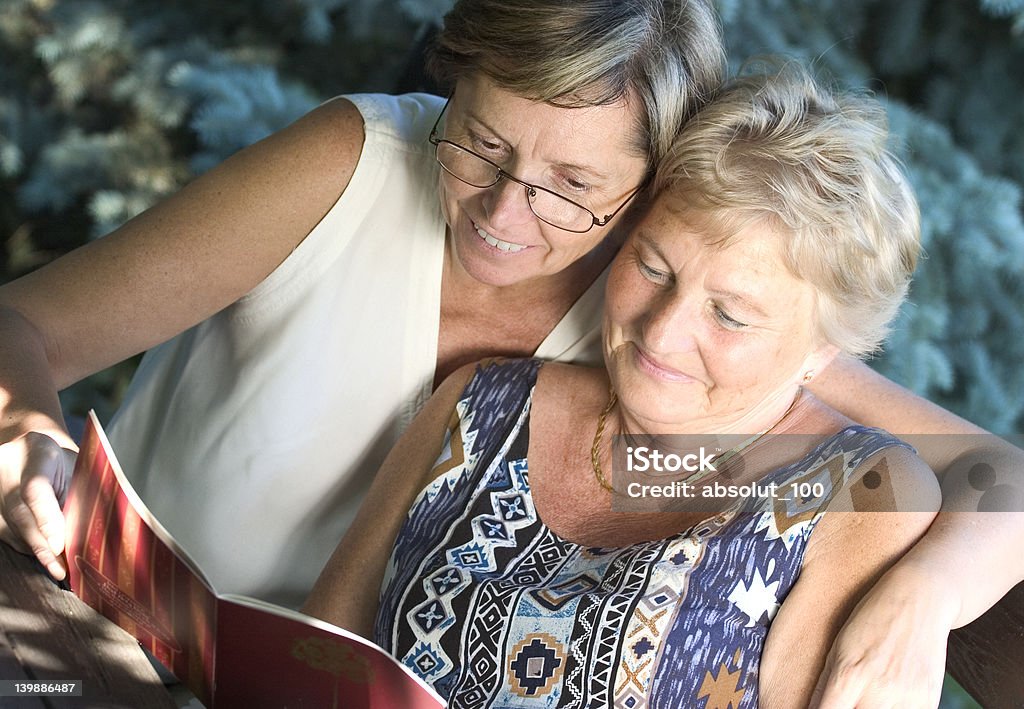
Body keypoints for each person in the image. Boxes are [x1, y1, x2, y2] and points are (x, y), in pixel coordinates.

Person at [0, 0, 1018, 704]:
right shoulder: (358, 170)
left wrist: (922, 600)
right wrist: (31, 446)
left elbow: (997, 475)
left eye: (572, 182)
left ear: (645, 183)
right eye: (481, 141)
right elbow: (25, 323)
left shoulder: (669, 306)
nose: (504, 211)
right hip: (89, 637)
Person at [303, 64, 942, 707]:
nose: (660, 333)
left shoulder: (858, 496)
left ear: (822, 352)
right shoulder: (482, 406)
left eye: (730, 315)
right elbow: (313, 660)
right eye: (653, 267)